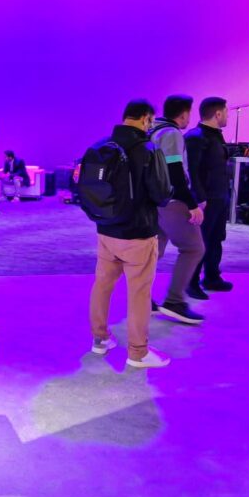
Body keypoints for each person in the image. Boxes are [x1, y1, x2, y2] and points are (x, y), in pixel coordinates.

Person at [86, 100, 173, 368]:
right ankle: (138, 352)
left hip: (106, 229)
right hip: (138, 233)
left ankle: (100, 340)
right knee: (139, 293)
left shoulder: (101, 146)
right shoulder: (148, 149)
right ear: (146, 119)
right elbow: (160, 194)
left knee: (102, 285)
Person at [149, 95, 206, 325]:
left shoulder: (153, 130)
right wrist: (192, 204)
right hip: (171, 202)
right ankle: (174, 301)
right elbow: (175, 171)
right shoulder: (171, 133)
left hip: (154, 201)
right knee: (193, 248)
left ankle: (143, 298)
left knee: (154, 252)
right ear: (183, 113)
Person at [185, 97, 233, 296]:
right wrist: (199, 198)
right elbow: (192, 171)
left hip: (220, 196)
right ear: (218, 114)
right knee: (201, 241)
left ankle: (212, 277)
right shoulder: (196, 137)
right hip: (207, 199)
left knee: (216, 238)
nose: (228, 115)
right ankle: (191, 282)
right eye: (227, 112)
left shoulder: (215, 136)